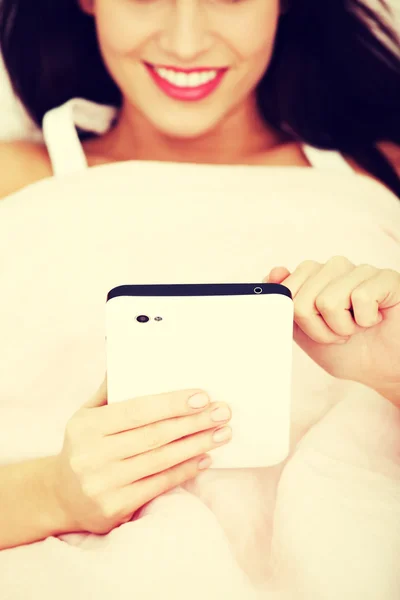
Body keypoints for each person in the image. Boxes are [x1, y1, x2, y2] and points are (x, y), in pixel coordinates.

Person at [0, 1, 399, 598]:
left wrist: (393, 373)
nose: (186, 43)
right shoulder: (14, 181)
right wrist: (56, 493)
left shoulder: (382, 174)